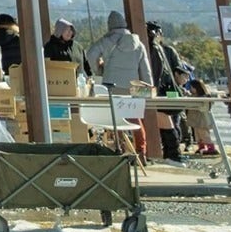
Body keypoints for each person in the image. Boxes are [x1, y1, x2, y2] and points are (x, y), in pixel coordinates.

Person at [83, 11, 152, 157]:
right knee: (135, 119)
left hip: (111, 85)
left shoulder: (106, 41)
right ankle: (141, 151)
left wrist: (99, 70)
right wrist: (148, 89)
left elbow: (90, 54)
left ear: (110, 26)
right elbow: (146, 71)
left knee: (116, 120)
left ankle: (120, 148)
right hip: (134, 87)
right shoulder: (138, 44)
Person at [145, 22, 183, 162]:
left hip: (159, 90)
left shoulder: (153, 49)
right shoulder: (165, 49)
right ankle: (173, 151)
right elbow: (178, 70)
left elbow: (156, 74)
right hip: (168, 89)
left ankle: (172, 153)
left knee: (167, 120)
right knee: (171, 120)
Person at [173, 64, 217, 156]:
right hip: (196, 120)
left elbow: (204, 106)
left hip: (202, 120)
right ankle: (201, 147)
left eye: (192, 87)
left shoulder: (203, 97)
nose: (191, 89)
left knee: (204, 134)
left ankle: (211, 148)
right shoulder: (193, 96)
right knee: (197, 135)